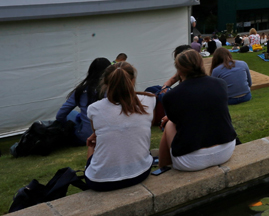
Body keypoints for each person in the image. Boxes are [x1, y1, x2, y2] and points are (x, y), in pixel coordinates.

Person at [158, 50, 236, 171]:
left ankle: (163, 168)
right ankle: (163, 166)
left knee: (169, 124)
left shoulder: (171, 96)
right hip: (226, 149)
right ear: (201, 64)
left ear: (179, 71)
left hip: (191, 160)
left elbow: (176, 120)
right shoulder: (221, 84)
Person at [83, 62, 154, 191]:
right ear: (133, 81)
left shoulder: (94, 109)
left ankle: (90, 157)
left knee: (92, 144)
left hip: (100, 182)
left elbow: (97, 135)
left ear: (105, 84)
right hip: (140, 173)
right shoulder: (149, 100)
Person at [57, 57, 111, 145]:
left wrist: (65, 125)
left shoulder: (81, 90)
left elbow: (60, 115)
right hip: (108, 134)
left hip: (85, 136)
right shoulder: (112, 90)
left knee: (73, 114)